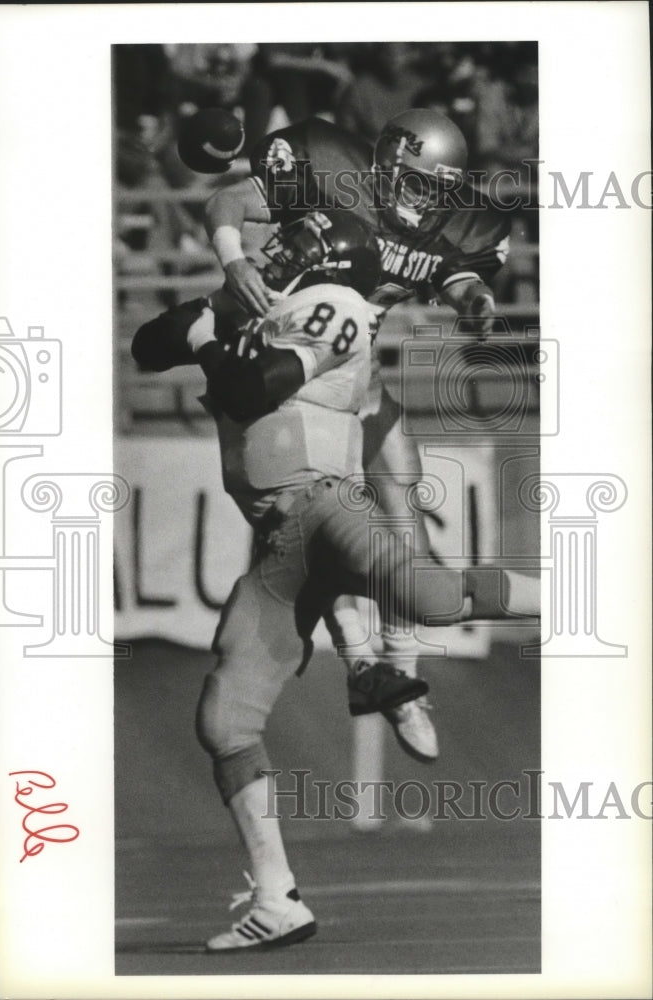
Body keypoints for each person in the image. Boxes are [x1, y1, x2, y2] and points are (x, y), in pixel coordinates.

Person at [132, 209, 538, 950]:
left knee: (433, 599)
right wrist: (207, 317)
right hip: (280, 547)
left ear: (334, 267)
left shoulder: (340, 308)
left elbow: (256, 389)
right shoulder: (256, 301)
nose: (281, 251)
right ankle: (277, 898)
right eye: (287, 241)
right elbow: (143, 347)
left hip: (327, 504)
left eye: (304, 247)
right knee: (224, 723)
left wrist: (208, 340)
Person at [200, 108, 512, 764]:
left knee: (400, 489)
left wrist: (473, 293)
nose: (420, 199)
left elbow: (448, 269)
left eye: (434, 188)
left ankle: (398, 677)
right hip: (287, 371)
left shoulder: (451, 227)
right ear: (384, 165)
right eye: (413, 182)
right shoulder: (330, 175)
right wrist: (233, 262)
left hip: (353, 379)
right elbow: (227, 198)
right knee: (318, 518)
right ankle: (360, 656)